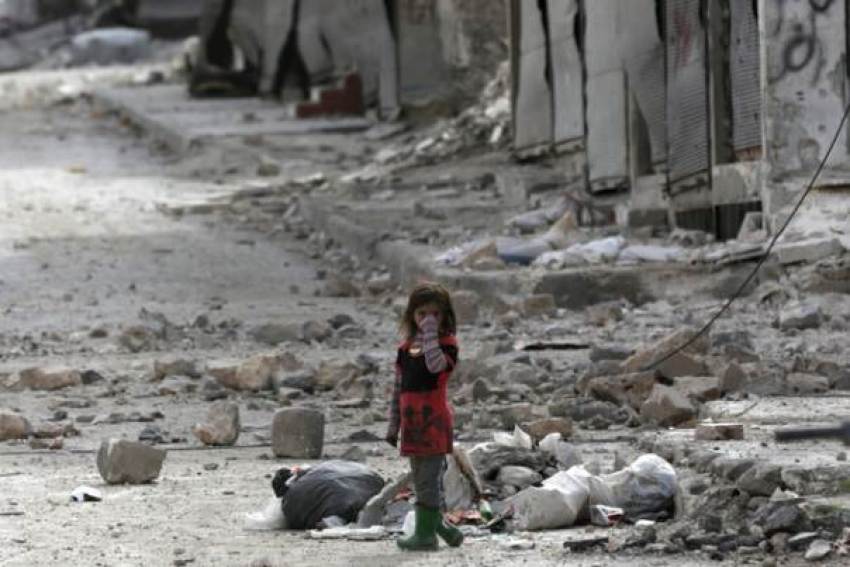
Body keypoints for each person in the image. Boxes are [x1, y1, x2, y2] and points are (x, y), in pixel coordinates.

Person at [386, 282, 464, 551]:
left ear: (445, 316)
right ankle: (442, 529)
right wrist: (392, 425)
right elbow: (398, 389)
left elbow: (435, 366)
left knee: (428, 482)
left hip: (433, 425)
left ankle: (426, 536)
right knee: (421, 481)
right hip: (412, 426)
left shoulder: (446, 346)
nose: (428, 321)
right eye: (422, 315)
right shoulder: (405, 348)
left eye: (435, 315)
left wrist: (430, 332)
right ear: (411, 315)